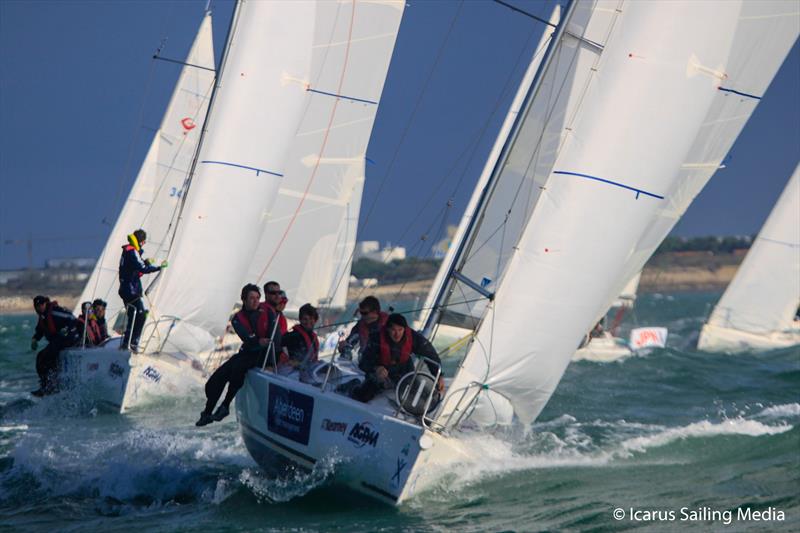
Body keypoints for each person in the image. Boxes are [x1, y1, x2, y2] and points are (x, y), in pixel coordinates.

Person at [196, 284, 282, 426]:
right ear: (244, 300)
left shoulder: (268, 312)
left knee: (238, 368)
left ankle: (225, 405)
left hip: (265, 354)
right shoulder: (237, 318)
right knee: (217, 379)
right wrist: (257, 341)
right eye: (251, 298)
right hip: (249, 351)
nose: (255, 301)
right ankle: (207, 412)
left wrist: (271, 358)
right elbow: (247, 338)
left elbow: (275, 336)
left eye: (257, 298)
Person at [352, 313, 444, 403]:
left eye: (400, 330)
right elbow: (364, 362)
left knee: (419, 395)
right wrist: (376, 368)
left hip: (403, 369)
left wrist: (439, 376)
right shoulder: (376, 338)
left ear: (405, 329)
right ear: (387, 329)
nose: (397, 334)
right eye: (393, 330)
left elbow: (430, 354)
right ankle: (352, 386)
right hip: (381, 371)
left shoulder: (413, 337)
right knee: (363, 396)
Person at [118, 229, 167, 350]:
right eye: (144, 242)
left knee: (133, 315)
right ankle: (133, 343)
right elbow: (142, 268)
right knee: (140, 315)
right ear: (142, 241)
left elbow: (135, 269)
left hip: (127, 289)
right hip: (131, 291)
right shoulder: (132, 251)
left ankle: (127, 343)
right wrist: (159, 267)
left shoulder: (128, 250)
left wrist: (145, 262)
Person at [30, 295, 79, 396]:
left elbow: (72, 318)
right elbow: (40, 330)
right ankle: (47, 384)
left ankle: (51, 384)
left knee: (46, 356)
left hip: (68, 338)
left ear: (45, 304)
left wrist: (66, 328)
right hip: (57, 340)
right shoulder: (43, 316)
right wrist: (35, 339)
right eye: (36, 306)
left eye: (40, 305)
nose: (39, 308)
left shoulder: (55, 312)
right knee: (40, 357)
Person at [339, 296, 388, 360]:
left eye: (364, 313)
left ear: (374, 312)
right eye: (360, 312)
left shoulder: (389, 324)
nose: (362, 316)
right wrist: (343, 347)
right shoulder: (360, 325)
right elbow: (349, 343)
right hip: (365, 362)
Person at [280, 303, 319, 371]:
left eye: (311, 318)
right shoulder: (291, 336)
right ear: (300, 320)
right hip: (293, 372)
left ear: (315, 320)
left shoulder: (313, 336)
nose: (308, 321)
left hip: (309, 371)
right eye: (305, 319)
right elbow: (279, 351)